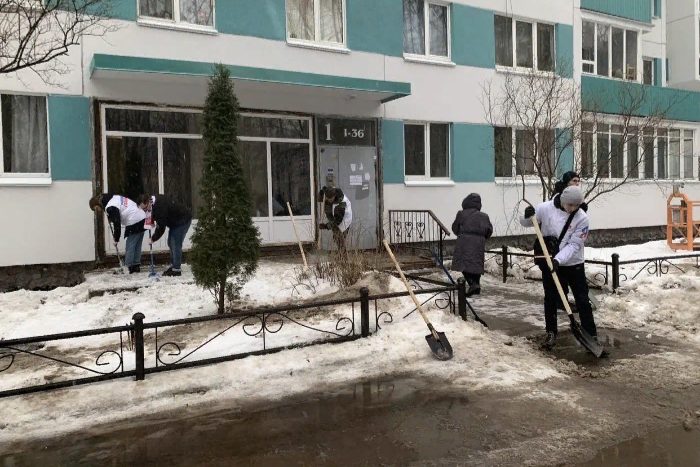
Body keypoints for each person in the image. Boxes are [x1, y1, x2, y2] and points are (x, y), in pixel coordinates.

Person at [520, 186, 600, 350]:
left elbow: (575, 244)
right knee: (550, 298)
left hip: (573, 263)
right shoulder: (545, 208)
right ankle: (551, 332)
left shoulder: (582, 218)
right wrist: (526, 216)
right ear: (563, 200)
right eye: (570, 205)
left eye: (576, 206)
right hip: (549, 260)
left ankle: (591, 334)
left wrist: (558, 260)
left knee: (582, 299)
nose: (572, 209)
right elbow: (527, 223)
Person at [89, 194, 146, 274]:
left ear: (97, 204)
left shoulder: (111, 206)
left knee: (130, 245)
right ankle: (136, 265)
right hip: (141, 217)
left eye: (95, 208)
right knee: (137, 244)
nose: (97, 211)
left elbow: (117, 223)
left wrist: (116, 239)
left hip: (134, 220)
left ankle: (128, 267)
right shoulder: (113, 198)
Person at [138, 195, 192, 277]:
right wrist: (150, 221)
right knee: (170, 242)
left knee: (175, 243)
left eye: (144, 209)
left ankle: (176, 270)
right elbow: (152, 214)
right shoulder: (151, 204)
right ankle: (174, 266)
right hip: (175, 221)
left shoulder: (159, 207)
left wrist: (153, 238)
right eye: (142, 209)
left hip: (182, 220)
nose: (144, 211)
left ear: (148, 202)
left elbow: (161, 227)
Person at [451, 193, 493, 297]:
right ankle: (476, 287)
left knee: (463, 264)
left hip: (464, 242)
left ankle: (473, 284)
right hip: (479, 243)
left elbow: (455, 228)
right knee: (476, 264)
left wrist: (462, 234)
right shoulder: (484, 216)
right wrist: (482, 238)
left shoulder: (461, 214)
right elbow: (489, 231)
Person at [318, 186, 352, 252]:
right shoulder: (330, 191)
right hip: (335, 217)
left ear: (334, 196)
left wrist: (326, 226)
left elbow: (337, 221)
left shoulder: (342, 203)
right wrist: (321, 192)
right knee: (336, 237)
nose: (328, 200)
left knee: (339, 240)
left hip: (344, 221)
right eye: (327, 198)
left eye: (330, 199)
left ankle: (343, 256)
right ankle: (340, 254)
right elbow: (319, 199)